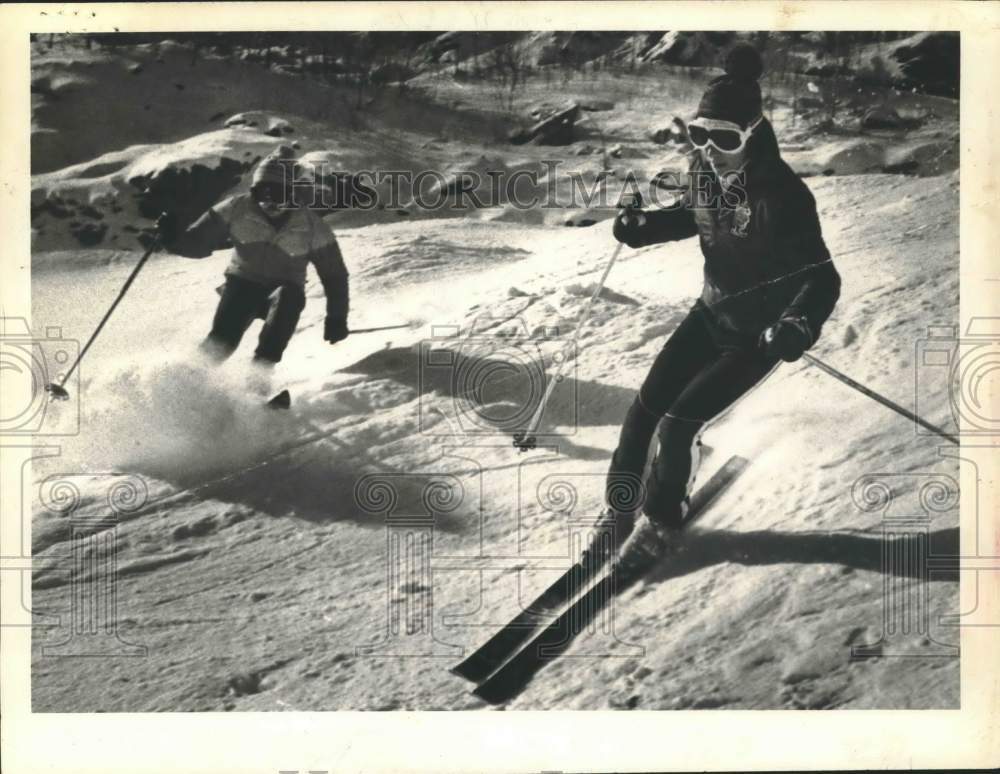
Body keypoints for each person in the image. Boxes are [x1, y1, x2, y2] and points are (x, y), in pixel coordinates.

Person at [604, 43, 841, 567]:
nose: (710, 147)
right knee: (644, 411)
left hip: (756, 337)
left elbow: (821, 279)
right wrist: (644, 230)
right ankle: (619, 506)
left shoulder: (783, 196)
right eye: (700, 133)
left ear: (754, 135)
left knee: (678, 423)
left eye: (725, 136)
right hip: (711, 313)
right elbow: (692, 216)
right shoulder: (703, 172)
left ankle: (662, 521)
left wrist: (796, 325)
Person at [156, 145, 350, 392]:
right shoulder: (236, 208)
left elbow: (334, 276)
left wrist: (336, 317)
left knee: (286, 299)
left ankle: (258, 382)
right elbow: (196, 244)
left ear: (293, 193)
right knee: (223, 342)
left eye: (277, 193)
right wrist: (172, 238)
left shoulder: (313, 226)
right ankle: (183, 386)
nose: (268, 201)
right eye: (261, 192)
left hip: (283, 290)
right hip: (242, 283)